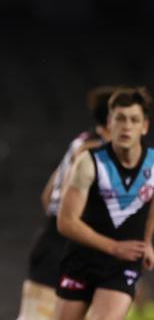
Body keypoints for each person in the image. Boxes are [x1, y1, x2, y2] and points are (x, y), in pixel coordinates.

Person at [55, 86, 154, 320]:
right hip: (82, 261)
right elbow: (66, 222)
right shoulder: (89, 163)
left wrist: (147, 241)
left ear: (144, 126)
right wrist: (113, 246)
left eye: (134, 120)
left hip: (122, 266)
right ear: (109, 123)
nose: (127, 126)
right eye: (120, 119)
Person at [17, 86, 116, 320]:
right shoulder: (96, 152)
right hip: (71, 248)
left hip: (53, 242)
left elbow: (47, 195)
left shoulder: (80, 142)